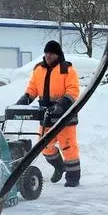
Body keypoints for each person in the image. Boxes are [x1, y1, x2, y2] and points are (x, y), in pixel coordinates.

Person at [16, 40, 81, 187]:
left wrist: (61, 104)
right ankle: (59, 166)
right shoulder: (38, 69)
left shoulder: (66, 69)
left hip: (65, 116)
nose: (48, 56)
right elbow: (32, 89)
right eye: (46, 53)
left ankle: (73, 177)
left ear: (57, 54)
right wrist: (23, 101)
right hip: (46, 116)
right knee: (45, 147)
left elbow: (73, 91)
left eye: (51, 53)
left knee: (68, 146)